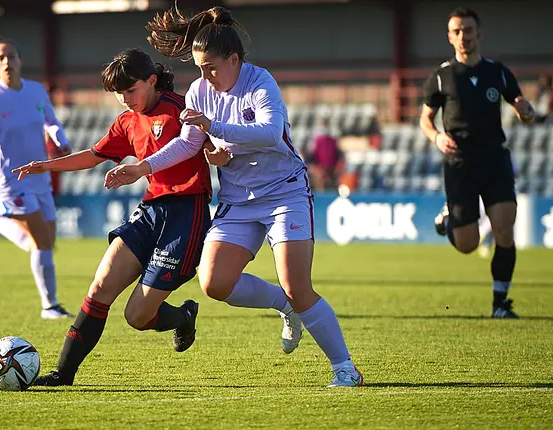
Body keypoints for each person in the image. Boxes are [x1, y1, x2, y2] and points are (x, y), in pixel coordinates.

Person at [105, 6, 362, 387]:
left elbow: (270, 133)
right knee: (214, 284)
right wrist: (144, 168)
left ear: (234, 60)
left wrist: (216, 128)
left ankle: (345, 369)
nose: (205, 76)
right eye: (199, 68)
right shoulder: (199, 90)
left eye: (211, 67)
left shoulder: (260, 83)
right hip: (238, 198)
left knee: (298, 284)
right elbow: (188, 144)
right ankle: (284, 306)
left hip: (284, 192)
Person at [12, 48, 215, 386]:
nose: (124, 99)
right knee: (100, 286)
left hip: (186, 212)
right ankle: (63, 375)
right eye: (119, 94)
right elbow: (93, 155)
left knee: (136, 316)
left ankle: (183, 316)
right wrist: (44, 165)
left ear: (151, 81)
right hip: (150, 210)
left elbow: (206, 143)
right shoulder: (126, 121)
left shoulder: (181, 109)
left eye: (130, 90)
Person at [424, 8, 535, 318]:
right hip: (459, 163)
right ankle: (450, 219)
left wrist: (526, 111)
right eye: (457, 31)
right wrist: (436, 138)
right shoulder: (441, 76)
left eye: (468, 30)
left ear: (479, 33)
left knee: (504, 228)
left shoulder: (497, 72)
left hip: (494, 160)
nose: (464, 36)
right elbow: (425, 119)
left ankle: (500, 304)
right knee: (468, 244)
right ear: (450, 37)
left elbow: (521, 108)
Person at [0, 30, 72, 319]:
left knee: (45, 242)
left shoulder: (36, 91)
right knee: (42, 244)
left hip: (40, 177)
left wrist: (61, 140)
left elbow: (51, 121)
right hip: (11, 180)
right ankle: (50, 306)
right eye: (1, 57)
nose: (7, 61)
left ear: (21, 60)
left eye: (11, 56)